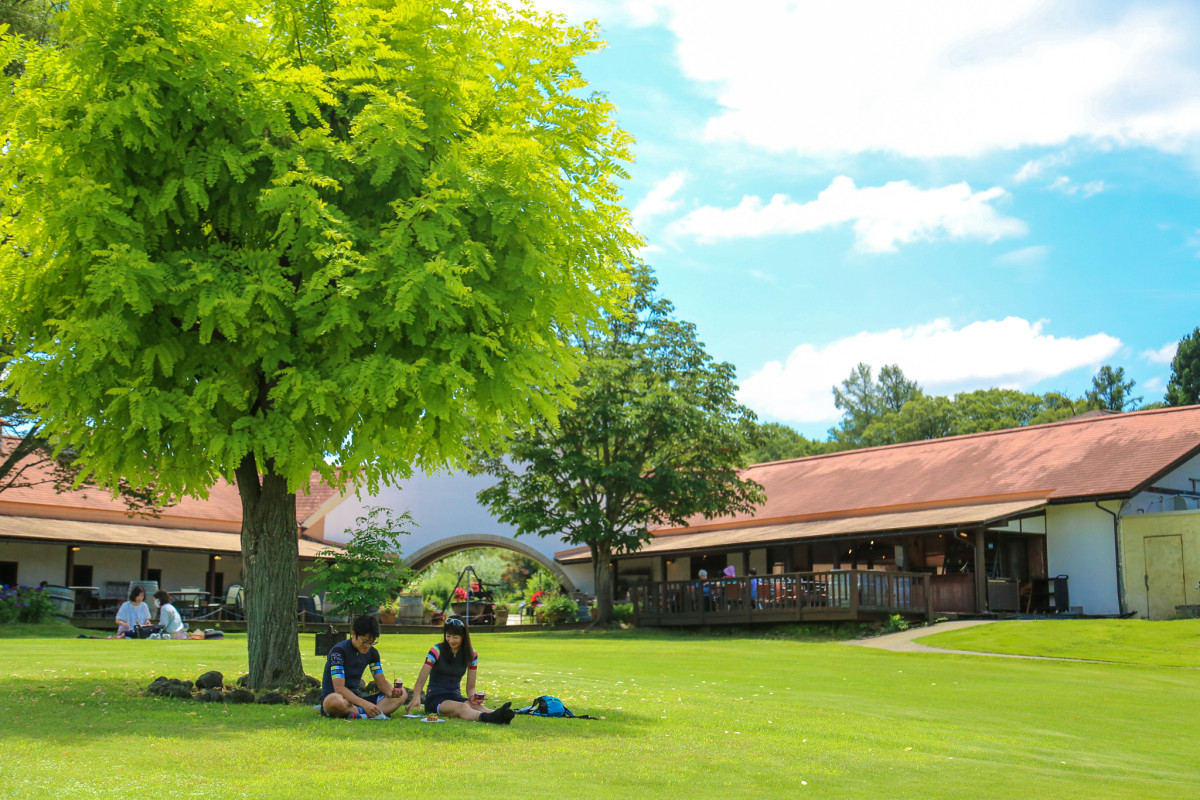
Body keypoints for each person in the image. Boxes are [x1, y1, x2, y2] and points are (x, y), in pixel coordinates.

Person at [405, 617, 513, 724]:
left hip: (455, 696)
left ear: (463, 637)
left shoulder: (472, 655)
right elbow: (421, 678)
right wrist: (416, 697)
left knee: (475, 705)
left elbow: (471, 687)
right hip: (436, 699)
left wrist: (473, 697)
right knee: (462, 707)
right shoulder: (436, 650)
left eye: (455, 637)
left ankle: (500, 714)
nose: (451, 640)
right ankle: (489, 718)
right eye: (448, 636)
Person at [321, 615, 411, 719]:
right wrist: (365, 704)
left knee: (403, 693)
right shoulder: (339, 652)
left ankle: (363, 715)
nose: (368, 646)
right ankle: (371, 713)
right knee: (332, 701)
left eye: (372, 642)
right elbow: (339, 688)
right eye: (364, 641)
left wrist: (392, 693)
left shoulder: (372, 653)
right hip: (339, 698)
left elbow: (381, 683)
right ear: (354, 634)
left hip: (356, 699)